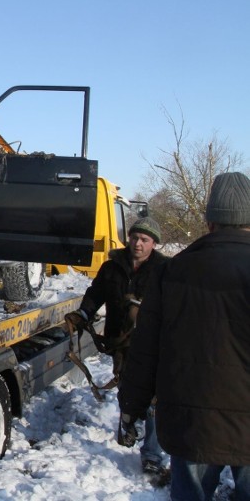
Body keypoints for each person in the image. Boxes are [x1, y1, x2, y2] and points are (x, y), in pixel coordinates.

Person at [119, 172, 250, 501]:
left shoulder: (171, 271)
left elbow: (145, 349)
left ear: (209, 222)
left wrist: (131, 407)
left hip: (192, 424)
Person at [66, 216, 170, 475]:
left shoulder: (165, 270)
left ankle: (152, 455)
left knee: (155, 398)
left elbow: (174, 304)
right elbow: (95, 294)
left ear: (154, 244)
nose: (138, 243)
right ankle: (129, 425)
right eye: (135, 237)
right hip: (120, 342)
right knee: (128, 391)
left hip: (154, 343)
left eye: (145, 240)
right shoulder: (112, 267)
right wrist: (84, 315)